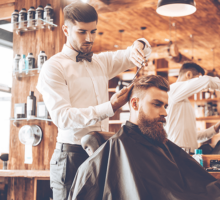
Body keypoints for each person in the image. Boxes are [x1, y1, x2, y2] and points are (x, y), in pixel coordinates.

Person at [36, 2, 151, 199]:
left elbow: (138, 49)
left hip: (100, 152)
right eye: (82, 32)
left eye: (93, 31)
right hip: (70, 156)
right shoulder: (53, 67)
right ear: (66, 29)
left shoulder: (101, 62)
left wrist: (138, 46)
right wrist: (111, 107)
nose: (89, 38)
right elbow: (62, 117)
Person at [68, 75, 220, 200]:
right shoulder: (116, 148)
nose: (164, 112)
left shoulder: (162, 144)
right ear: (135, 104)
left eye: (165, 106)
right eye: (157, 104)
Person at [166, 62, 220, 153]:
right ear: (188, 74)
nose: (199, 84)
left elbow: (194, 137)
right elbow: (207, 81)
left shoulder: (182, 101)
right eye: (198, 79)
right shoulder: (173, 90)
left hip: (187, 154)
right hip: (178, 153)